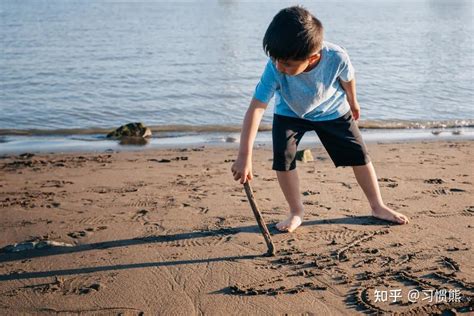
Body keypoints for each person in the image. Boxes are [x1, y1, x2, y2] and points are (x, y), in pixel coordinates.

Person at [231, 6, 409, 233]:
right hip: (290, 112)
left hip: (332, 110)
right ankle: (296, 211)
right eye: (275, 60)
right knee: (283, 159)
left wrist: (353, 102)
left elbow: (348, 79)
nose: (279, 67)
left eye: (287, 64)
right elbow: (256, 108)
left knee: (359, 156)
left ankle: (377, 206)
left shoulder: (336, 57)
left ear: (312, 57)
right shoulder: (274, 68)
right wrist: (244, 156)